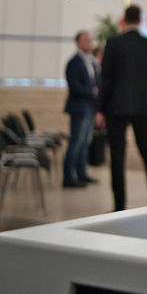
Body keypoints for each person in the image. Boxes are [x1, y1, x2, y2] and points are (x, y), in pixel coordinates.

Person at [97, 5, 147, 212]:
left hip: (115, 107)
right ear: (141, 20)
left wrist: (100, 109)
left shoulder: (113, 43)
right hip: (144, 107)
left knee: (117, 158)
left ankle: (119, 206)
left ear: (123, 20)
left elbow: (105, 79)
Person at [62, 30, 99, 188]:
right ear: (78, 43)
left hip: (90, 107)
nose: (89, 42)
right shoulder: (74, 62)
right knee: (76, 142)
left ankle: (82, 173)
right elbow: (75, 86)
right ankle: (68, 177)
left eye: (90, 39)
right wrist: (92, 92)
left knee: (85, 142)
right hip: (79, 107)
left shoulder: (90, 61)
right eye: (86, 39)